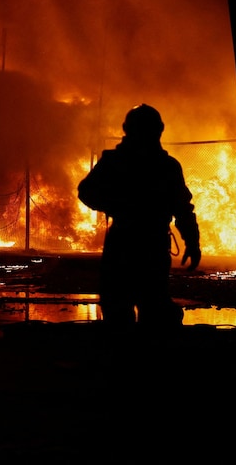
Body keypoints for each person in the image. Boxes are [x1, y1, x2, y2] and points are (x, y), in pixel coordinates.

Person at [78, 104, 201, 330]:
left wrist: (113, 206)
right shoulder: (166, 166)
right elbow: (182, 208)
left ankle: (122, 360)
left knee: (119, 311)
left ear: (126, 128)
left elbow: (86, 192)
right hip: (152, 245)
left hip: (122, 242)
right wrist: (192, 242)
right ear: (160, 129)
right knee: (151, 308)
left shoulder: (115, 162)